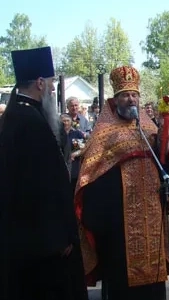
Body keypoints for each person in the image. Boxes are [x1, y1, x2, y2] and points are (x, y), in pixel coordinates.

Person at [74, 65, 169, 300]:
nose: (131, 99)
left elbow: (166, 167)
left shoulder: (149, 128)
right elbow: (91, 177)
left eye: (134, 95)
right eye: (125, 95)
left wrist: (167, 150)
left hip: (151, 220)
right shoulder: (104, 133)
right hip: (119, 225)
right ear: (116, 99)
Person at [0, 46, 87, 300]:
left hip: (24, 241)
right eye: (50, 83)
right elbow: (40, 189)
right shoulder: (31, 124)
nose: (52, 89)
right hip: (43, 248)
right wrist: (59, 238)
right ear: (39, 83)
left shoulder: (16, 117)